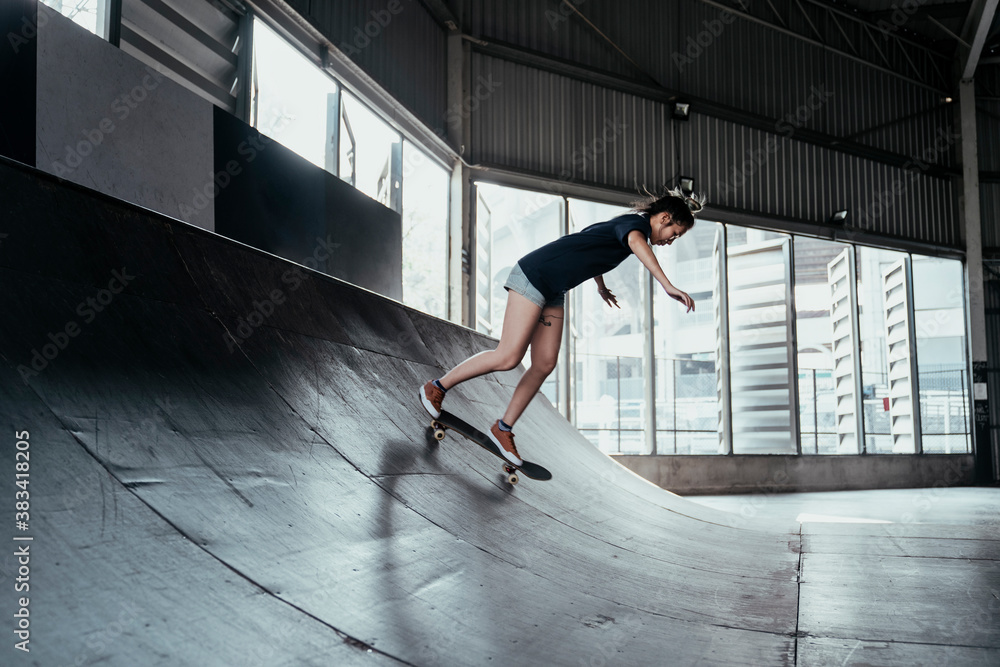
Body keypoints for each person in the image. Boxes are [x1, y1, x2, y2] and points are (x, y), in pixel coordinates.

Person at [419, 188, 705, 466]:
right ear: (664, 218)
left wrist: (601, 286)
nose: (671, 240)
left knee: (544, 363)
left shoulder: (625, 228)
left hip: (554, 290)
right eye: (675, 234)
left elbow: (590, 248)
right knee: (508, 356)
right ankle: (436, 387)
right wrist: (667, 285)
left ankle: (503, 428)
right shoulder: (635, 227)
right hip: (534, 275)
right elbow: (635, 243)